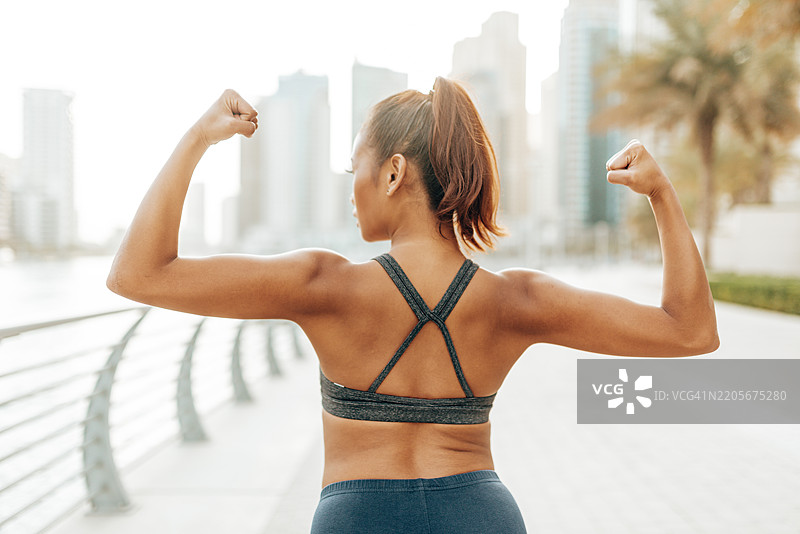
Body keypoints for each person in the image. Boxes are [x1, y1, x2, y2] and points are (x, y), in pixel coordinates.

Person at [107, 78, 719, 533]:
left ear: (394, 172)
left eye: (356, 169)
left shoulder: (325, 285)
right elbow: (690, 332)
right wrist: (661, 194)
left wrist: (197, 138)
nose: (350, 188)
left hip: (357, 516)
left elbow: (139, 273)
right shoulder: (516, 300)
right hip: (481, 514)